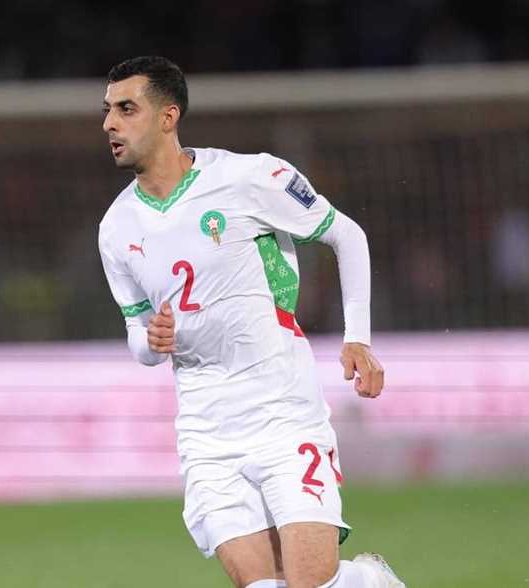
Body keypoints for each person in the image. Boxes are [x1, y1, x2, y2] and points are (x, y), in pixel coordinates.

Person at [97, 56, 404, 588]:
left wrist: (358, 338)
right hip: (207, 431)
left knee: (309, 583)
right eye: (106, 111)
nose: (109, 124)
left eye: (126, 109)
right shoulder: (115, 228)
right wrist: (151, 340)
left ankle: (370, 582)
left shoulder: (248, 178)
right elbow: (137, 338)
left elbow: (345, 234)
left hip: (282, 411)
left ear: (168, 116)